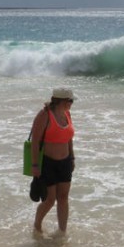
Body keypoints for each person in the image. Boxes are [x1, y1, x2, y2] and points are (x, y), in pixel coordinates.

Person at [30, 88, 75, 234]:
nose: (72, 104)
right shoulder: (45, 115)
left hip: (65, 162)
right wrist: (35, 165)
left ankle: (62, 231)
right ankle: (37, 225)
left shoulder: (67, 113)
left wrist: (72, 157)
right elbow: (35, 142)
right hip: (48, 163)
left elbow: (69, 138)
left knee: (63, 198)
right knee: (49, 200)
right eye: (70, 101)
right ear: (62, 101)